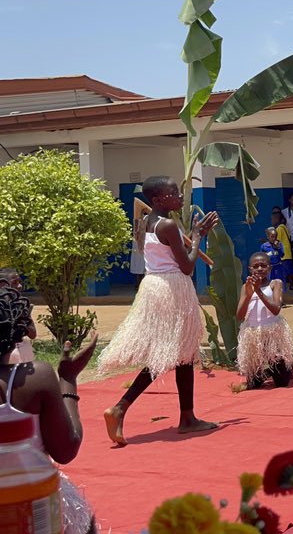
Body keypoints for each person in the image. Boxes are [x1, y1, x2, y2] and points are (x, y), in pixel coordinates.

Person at [97, 175, 220, 446]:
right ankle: (120, 407)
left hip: (154, 286)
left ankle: (187, 417)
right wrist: (198, 236)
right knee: (168, 355)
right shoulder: (167, 225)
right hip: (172, 288)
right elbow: (188, 266)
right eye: (173, 193)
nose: (180, 197)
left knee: (183, 354)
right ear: (157, 200)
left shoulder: (145, 222)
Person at [0, 286, 98, 534]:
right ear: (16, 332)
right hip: (32, 507)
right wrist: (67, 379)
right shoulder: (37, 377)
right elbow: (66, 449)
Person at [235, 252, 293, 390]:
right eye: (256, 266)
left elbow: (276, 309)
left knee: (281, 382)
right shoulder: (246, 287)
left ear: (269, 268)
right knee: (253, 384)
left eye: (263, 265)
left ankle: (288, 367)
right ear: (250, 269)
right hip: (253, 334)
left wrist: (259, 292)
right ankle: (270, 371)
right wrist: (249, 294)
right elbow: (239, 315)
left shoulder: (275, 283)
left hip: (271, 334)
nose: (260, 269)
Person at [0, 267, 35, 364]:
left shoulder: (21, 306)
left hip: (16, 355)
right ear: (1, 284)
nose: (19, 286)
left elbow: (33, 334)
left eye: (20, 282)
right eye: (15, 282)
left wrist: (21, 320)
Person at [271, 209, 293, 291]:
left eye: (272, 219)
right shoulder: (284, 227)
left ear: (277, 219)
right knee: (289, 270)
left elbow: (276, 241)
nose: (272, 221)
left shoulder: (279, 229)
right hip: (288, 252)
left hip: (284, 253)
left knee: (288, 271)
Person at [130, 216, 146, 290]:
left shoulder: (145, 219)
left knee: (141, 265)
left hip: (143, 243)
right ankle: (139, 284)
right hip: (138, 244)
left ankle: (140, 284)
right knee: (139, 264)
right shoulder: (137, 221)